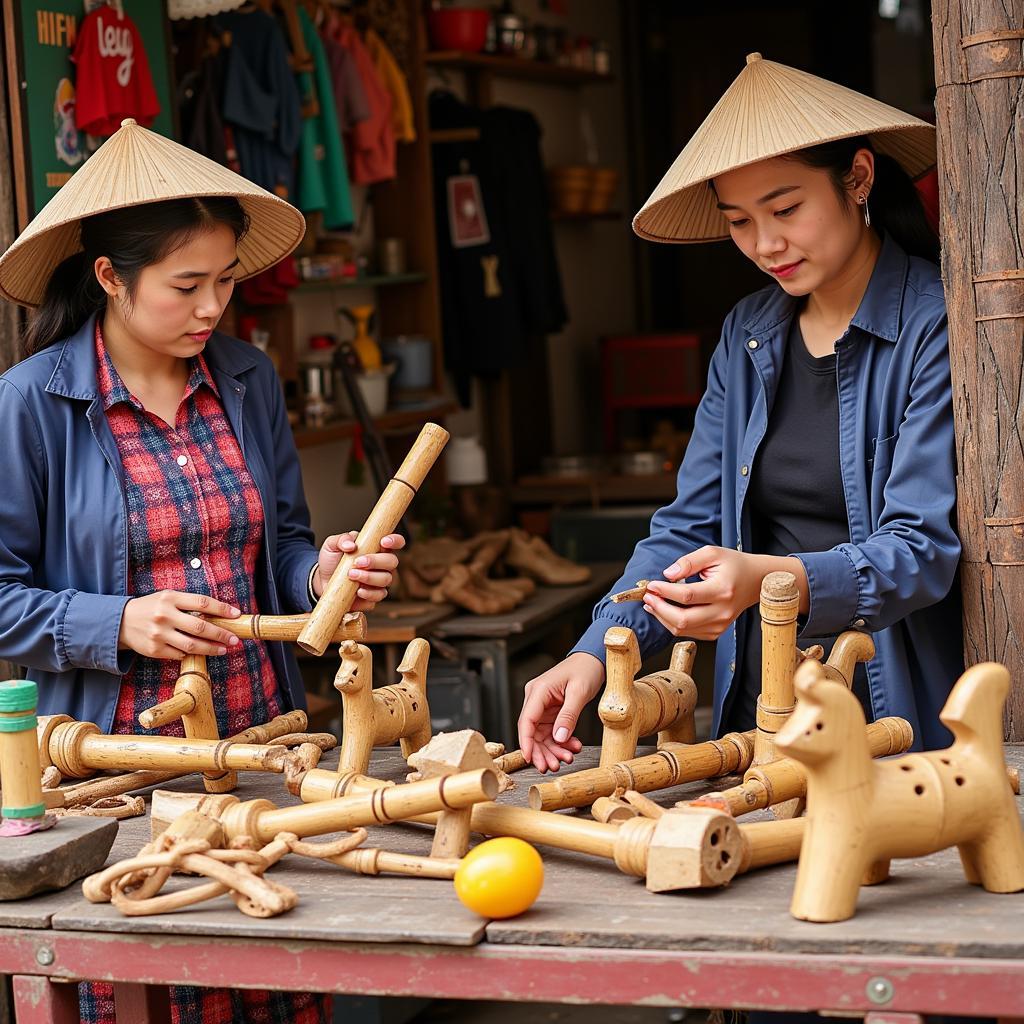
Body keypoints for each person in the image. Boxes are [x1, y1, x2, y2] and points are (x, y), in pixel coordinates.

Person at [0, 119, 402, 1024]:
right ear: (109, 276)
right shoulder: (32, 407)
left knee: (282, 972)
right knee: (150, 985)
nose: (213, 306)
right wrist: (116, 622)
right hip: (118, 774)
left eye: (225, 281)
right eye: (187, 286)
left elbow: (286, 544)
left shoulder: (248, 380)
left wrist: (320, 574)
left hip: (265, 754)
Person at [519, 53, 963, 775]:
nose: (764, 244)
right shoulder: (749, 332)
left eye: (786, 209)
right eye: (739, 221)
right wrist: (596, 652)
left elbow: (921, 550)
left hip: (891, 705)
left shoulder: (936, 324)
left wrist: (767, 579)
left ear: (857, 178)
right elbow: (689, 526)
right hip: (760, 706)